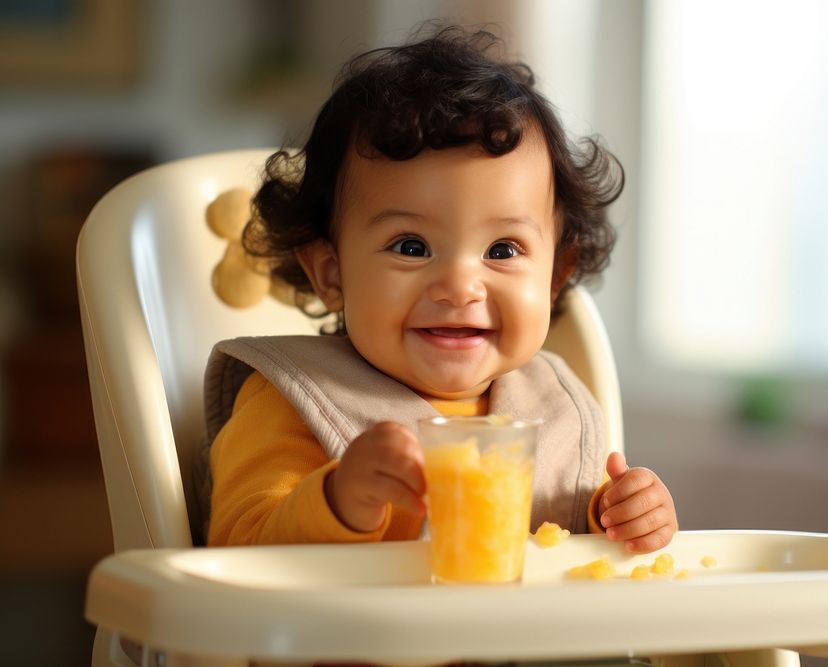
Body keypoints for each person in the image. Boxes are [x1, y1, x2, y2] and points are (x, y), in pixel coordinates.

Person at [198, 25, 677, 554]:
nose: (459, 286)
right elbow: (239, 551)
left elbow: (572, 539)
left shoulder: (557, 407)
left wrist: (624, 515)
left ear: (556, 274)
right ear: (331, 274)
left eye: (502, 250)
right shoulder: (295, 400)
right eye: (410, 246)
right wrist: (336, 500)